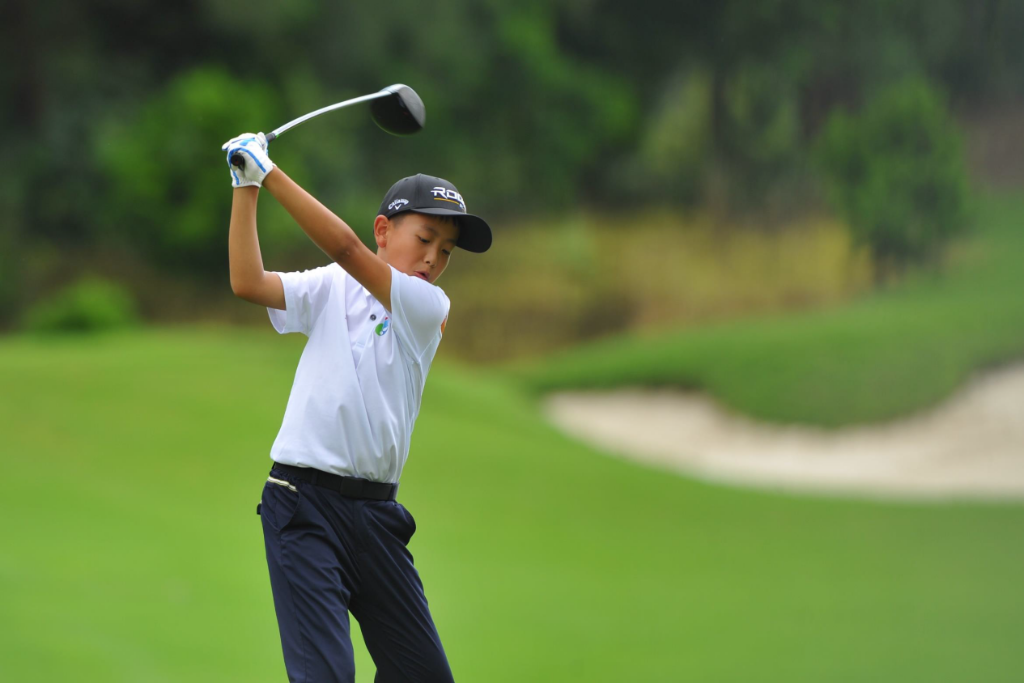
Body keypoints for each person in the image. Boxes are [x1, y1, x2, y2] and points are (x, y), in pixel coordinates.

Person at [222, 131, 491, 682]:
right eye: (426, 238)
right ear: (384, 230)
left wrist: (268, 173)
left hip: (376, 518)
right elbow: (248, 282)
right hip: (302, 505)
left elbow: (345, 248)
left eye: (446, 251)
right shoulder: (331, 288)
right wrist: (244, 186)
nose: (434, 258)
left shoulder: (428, 306)